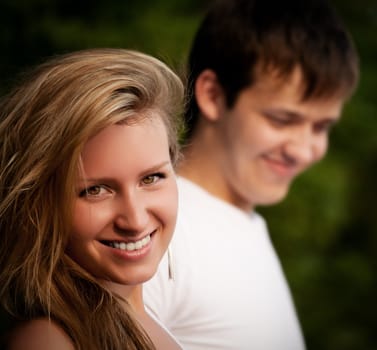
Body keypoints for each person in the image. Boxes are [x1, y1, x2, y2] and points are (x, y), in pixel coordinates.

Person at [143, 0, 359, 349]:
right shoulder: (155, 229)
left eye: (320, 127)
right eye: (282, 120)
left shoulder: (243, 222)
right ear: (212, 94)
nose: (304, 151)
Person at [0, 48, 184, 350]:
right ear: (39, 201)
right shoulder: (46, 341)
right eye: (95, 190)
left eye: (151, 178)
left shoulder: (142, 316)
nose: (135, 220)